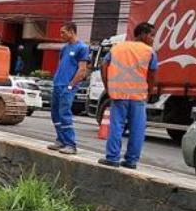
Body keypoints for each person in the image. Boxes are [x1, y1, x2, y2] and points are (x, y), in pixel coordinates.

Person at [98, 22, 158, 169]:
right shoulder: (150, 52)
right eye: (152, 35)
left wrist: (108, 87)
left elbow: (103, 67)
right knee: (137, 129)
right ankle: (131, 161)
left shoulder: (117, 48)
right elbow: (151, 75)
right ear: (142, 34)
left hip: (118, 94)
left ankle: (112, 158)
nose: (153, 38)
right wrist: (149, 92)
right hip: (138, 96)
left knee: (116, 126)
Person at [47, 22, 90, 155]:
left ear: (72, 31)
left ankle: (71, 144)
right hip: (58, 84)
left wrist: (71, 85)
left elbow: (82, 70)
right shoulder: (65, 48)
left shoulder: (82, 48)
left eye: (63, 32)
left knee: (65, 114)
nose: (61, 35)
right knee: (55, 114)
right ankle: (61, 140)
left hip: (68, 86)